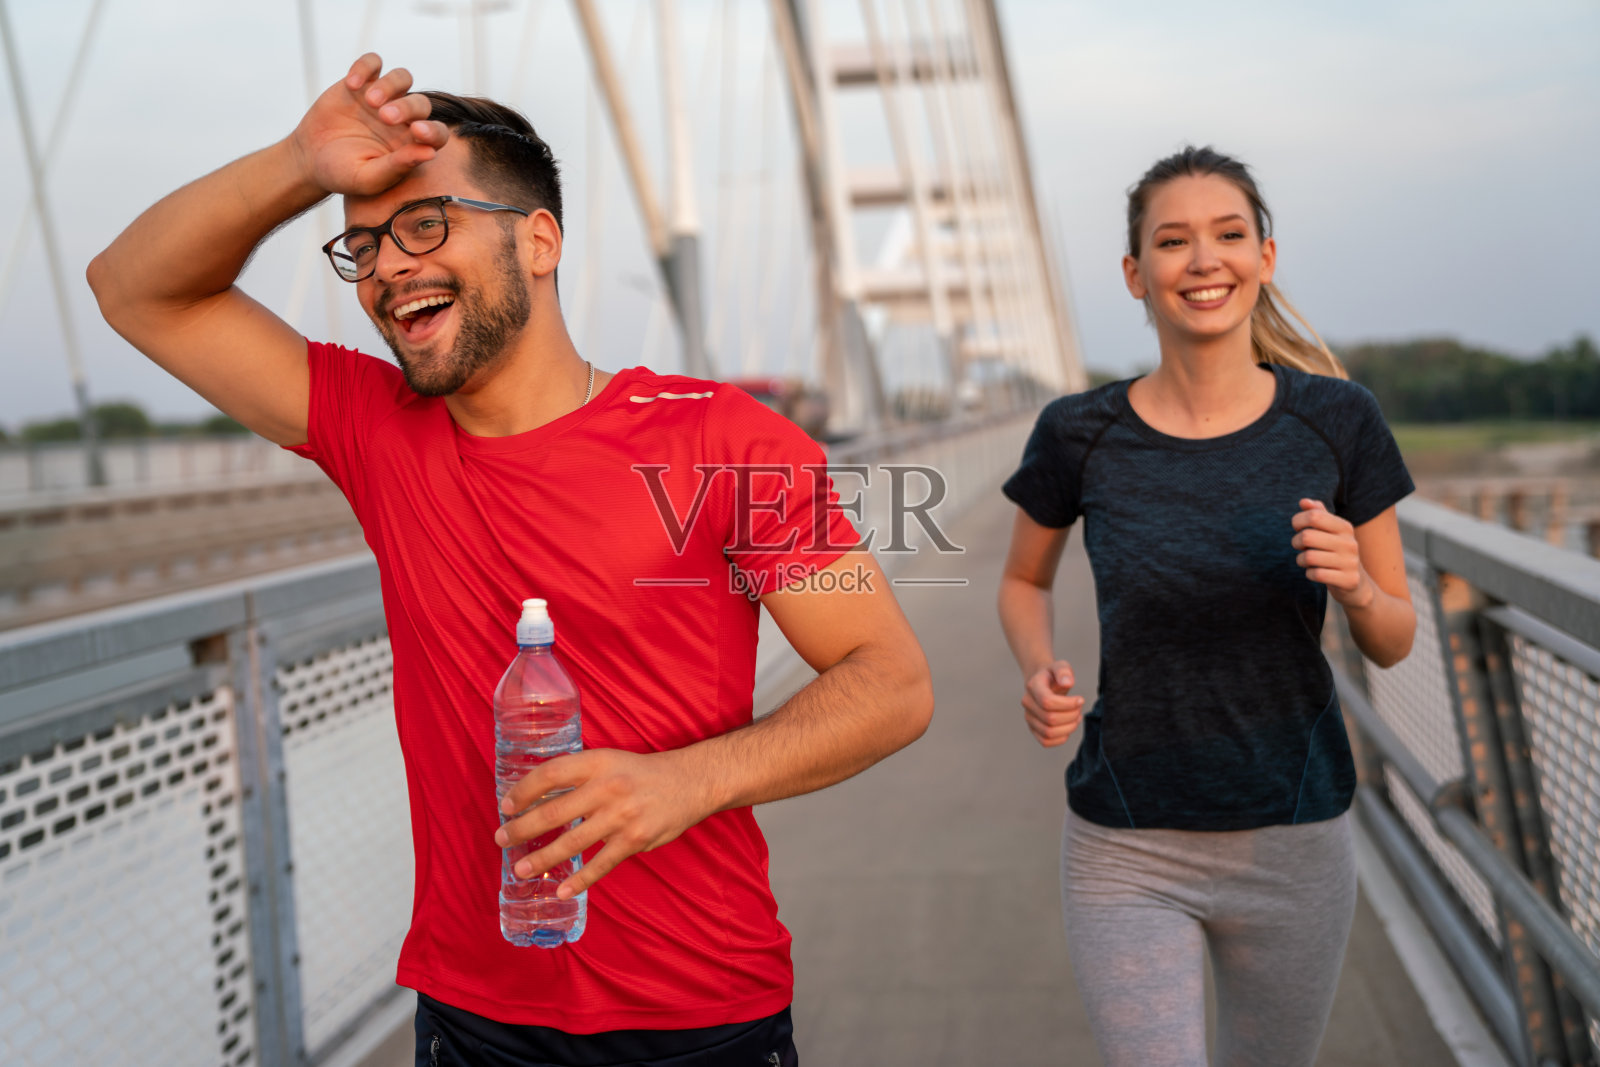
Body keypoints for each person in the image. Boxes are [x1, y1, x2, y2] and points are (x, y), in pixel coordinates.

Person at [89, 55, 933, 1066]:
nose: (388, 265)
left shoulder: (726, 440)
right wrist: (296, 164)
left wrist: (681, 782)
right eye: (363, 245)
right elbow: (133, 290)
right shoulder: (375, 429)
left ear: (538, 240)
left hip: (700, 1013)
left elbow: (889, 681)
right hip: (471, 1017)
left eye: (425, 225)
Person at [996, 146, 1416, 1067]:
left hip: (1294, 840)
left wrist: (1354, 583)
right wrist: (1038, 666)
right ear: (1135, 273)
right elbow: (1023, 578)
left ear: (1266, 257)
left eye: (1229, 235)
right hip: (1126, 843)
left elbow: (1395, 638)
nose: (1203, 260)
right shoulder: (1078, 432)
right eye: (1173, 241)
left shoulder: (1341, 421)